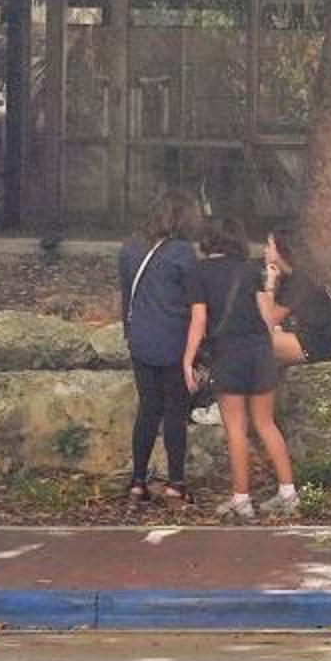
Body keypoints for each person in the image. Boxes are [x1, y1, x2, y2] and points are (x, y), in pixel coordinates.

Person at [186, 220, 297, 521]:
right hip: (260, 352)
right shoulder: (250, 270)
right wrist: (270, 286)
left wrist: (188, 359)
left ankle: (241, 499)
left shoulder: (199, 271)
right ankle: (289, 492)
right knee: (266, 423)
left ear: (208, 239)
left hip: (229, 353)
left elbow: (199, 320)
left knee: (236, 427)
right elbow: (267, 318)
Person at [117, 191, 200, 508]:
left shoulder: (130, 248)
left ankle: (138, 481)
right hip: (175, 340)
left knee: (148, 409)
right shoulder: (183, 253)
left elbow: (127, 296)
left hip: (141, 340)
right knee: (175, 412)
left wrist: (130, 334)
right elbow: (194, 301)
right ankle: (176, 483)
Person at [259, 226, 331, 367]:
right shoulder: (294, 277)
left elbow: (268, 320)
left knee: (253, 343)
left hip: (316, 345)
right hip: (309, 339)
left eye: (269, 246)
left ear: (281, 250)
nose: (265, 250)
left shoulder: (300, 280)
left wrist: (270, 284)